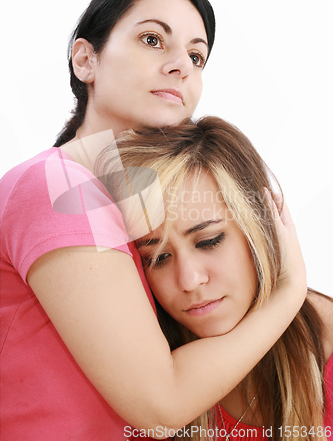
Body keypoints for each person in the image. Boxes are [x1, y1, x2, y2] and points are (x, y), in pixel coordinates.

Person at [0, 0, 306, 441]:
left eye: (196, 55)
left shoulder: (135, 199)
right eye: (152, 39)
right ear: (86, 59)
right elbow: (159, 404)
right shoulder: (58, 184)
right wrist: (288, 294)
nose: (181, 65)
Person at [100, 116, 333, 441]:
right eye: (158, 258)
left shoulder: (326, 348)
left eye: (209, 241)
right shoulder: (141, 379)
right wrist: (289, 289)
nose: (190, 280)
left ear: (261, 230)